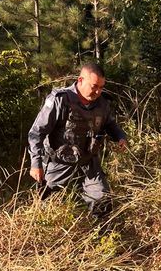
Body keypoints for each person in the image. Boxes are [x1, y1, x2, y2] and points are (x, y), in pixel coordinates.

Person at [28, 63, 128, 217]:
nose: (98, 91)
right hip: (59, 162)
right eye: (94, 86)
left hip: (89, 162)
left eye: (101, 87)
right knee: (46, 206)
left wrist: (120, 137)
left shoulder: (102, 103)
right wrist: (36, 163)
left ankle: (101, 236)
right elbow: (36, 133)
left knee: (102, 199)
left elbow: (110, 124)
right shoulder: (60, 100)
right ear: (80, 80)